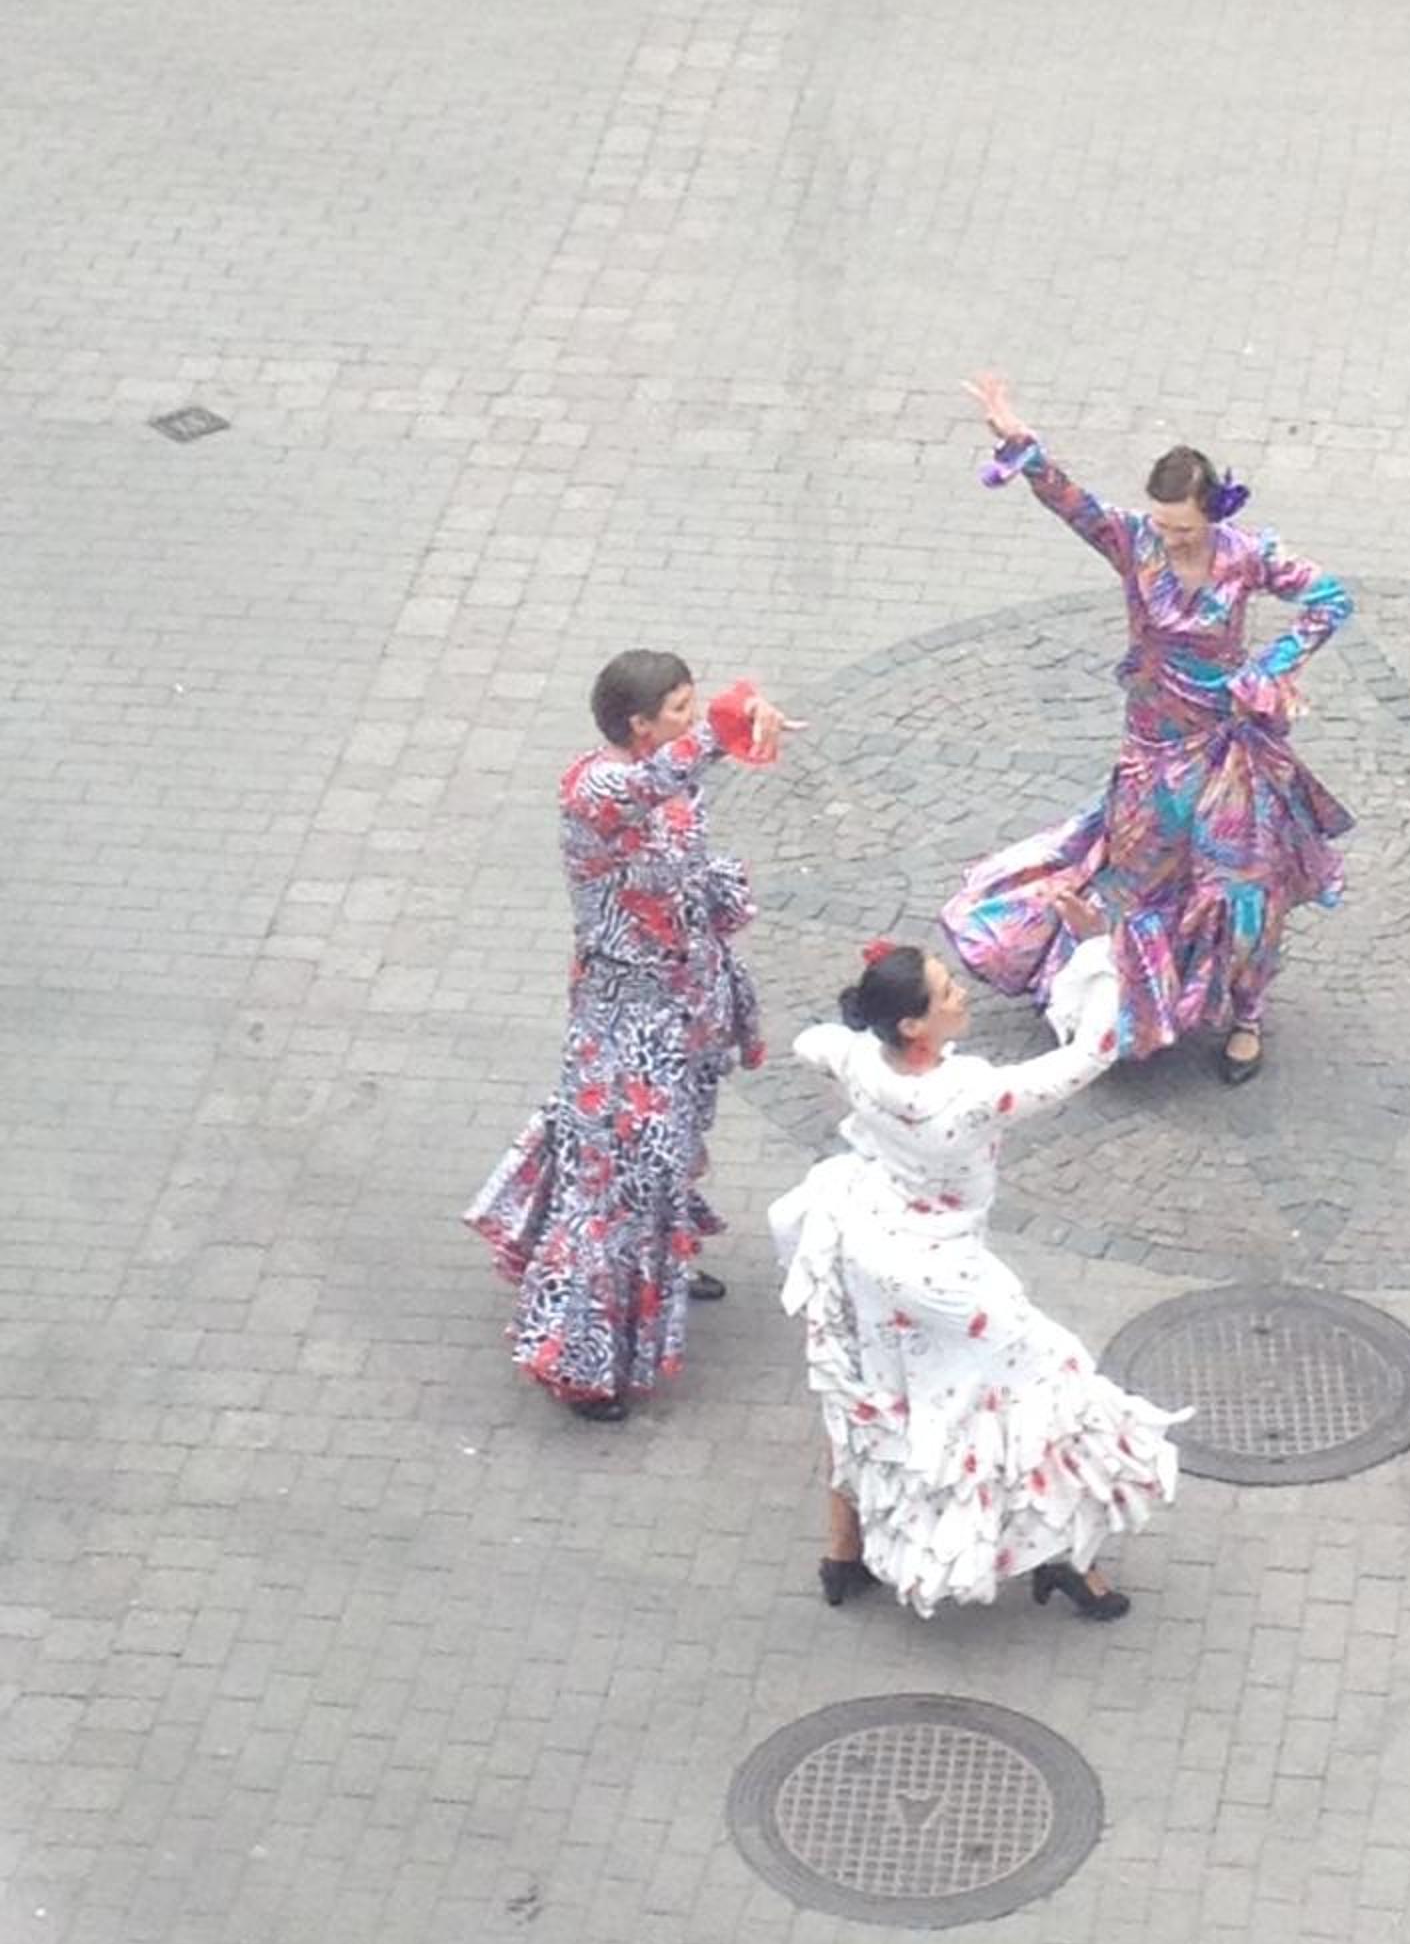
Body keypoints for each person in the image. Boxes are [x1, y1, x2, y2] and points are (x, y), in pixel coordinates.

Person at [771, 908, 1181, 1619]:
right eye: (946, 990)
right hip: (943, 1278)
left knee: (869, 1394)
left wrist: (844, 1036)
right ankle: (1067, 1560)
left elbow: (812, 1043)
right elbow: (1091, 1053)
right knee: (1051, 1395)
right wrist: (1097, 954)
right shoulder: (970, 1098)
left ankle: (843, 1552)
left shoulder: (860, 1059)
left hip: (865, 1246)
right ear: (914, 1026)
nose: (961, 993)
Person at [943, 373, 1353, 1083]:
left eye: (1184, 528)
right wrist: (1022, 444)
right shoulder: (1133, 541)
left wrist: (1270, 667)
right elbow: (1070, 501)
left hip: (1228, 747)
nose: (1170, 537)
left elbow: (1331, 599)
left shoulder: (1245, 554)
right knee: (1136, 883)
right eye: (1163, 523)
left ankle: (1246, 1015)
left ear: (1211, 515)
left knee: (1243, 889)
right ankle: (1131, 1001)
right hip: (1152, 750)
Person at [465, 653, 797, 1421]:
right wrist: (726, 728)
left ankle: (660, 1262)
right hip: (626, 1020)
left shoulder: (663, 778)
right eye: (679, 708)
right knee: (619, 1177)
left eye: (693, 703)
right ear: (638, 725)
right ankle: (577, 1357)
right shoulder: (595, 790)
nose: (691, 716)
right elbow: (661, 782)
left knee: (666, 1153)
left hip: (685, 1005)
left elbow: (678, 818)